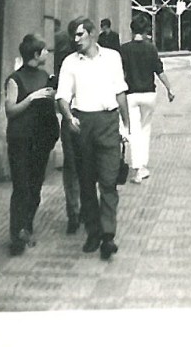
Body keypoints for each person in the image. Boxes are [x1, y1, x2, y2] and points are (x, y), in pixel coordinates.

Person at [56, 18, 130, 260]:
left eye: (79, 35)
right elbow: (62, 96)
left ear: (92, 33)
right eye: (73, 36)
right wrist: (68, 117)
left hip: (108, 123)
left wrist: (126, 125)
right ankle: (93, 232)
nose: (76, 40)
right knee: (86, 182)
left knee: (109, 181)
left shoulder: (112, 58)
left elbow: (120, 92)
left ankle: (108, 235)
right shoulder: (69, 62)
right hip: (82, 124)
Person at [4, 33, 59, 255]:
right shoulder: (14, 79)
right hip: (20, 140)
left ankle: (27, 227)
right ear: (36, 54)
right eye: (44, 50)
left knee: (35, 187)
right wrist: (32, 97)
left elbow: (49, 108)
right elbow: (10, 111)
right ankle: (16, 237)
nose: (47, 53)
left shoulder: (45, 75)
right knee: (21, 188)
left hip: (40, 140)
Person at [120, 13, 175, 184]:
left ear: (132, 29)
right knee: (145, 130)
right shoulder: (151, 48)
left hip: (131, 95)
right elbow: (159, 70)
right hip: (149, 94)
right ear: (145, 30)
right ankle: (143, 165)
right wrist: (169, 89)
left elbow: (120, 74)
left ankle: (139, 168)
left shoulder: (124, 49)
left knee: (134, 132)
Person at [53, 16, 84, 234]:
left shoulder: (64, 58)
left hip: (72, 116)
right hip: (78, 116)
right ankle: (78, 211)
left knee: (72, 168)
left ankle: (75, 210)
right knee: (81, 166)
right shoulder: (71, 60)